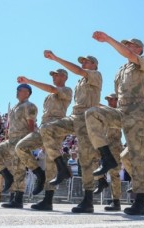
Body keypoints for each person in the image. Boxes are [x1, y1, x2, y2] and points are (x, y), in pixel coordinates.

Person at [86, 32, 144, 215]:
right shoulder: (121, 70)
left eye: (131, 45)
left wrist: (108, 40)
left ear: (139, 49)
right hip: (121, 111)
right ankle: (107, 157)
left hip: (137, 111)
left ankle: (140, 201)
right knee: (92, 114)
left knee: (136, 156)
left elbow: (130, 55)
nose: (128, 47)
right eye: (127, 44)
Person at [40, 51, 102, 213]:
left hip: (87, 119)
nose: (84, 64)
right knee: (46, 129)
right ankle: (61, 168)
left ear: (94, 65)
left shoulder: (95, 75)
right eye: (83, 62)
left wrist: (56, 58)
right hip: (75, 117)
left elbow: (78, 71)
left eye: (87, 62)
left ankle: (88, 200)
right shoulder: (80, 82)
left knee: (85, 158)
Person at [15, 68, 72, 211]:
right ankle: (39, 173)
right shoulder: (49, 96)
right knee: (20, 147)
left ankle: (48, 199)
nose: (53, 77)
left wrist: (29, 81)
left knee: (50, 164)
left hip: (56, 127)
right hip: (43, 128)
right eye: (52, 75)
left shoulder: (66, 90)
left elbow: (53, 89)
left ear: (64, 77)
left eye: (57, 75)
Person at [0, 84, 38, 209]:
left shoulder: (29, 106)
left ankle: (17, 199)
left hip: (21, 140)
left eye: (20, 90)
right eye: (17, 89)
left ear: (27, 93)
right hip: (11, 140)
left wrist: (29, 142)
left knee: (19, 170)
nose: (17, 91)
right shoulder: (15, 107)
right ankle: (7, 176)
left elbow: (32, 124)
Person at [94, 93, 124, 211]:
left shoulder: (119, 112)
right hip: (105, 143)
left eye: (112, 100)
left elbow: (106, 109)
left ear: (117, 101)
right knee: (92, 158)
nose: (109, 102)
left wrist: (95, 102)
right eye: (108, 100)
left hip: (115, 145)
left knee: (114, 173)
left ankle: (116, 202)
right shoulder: (106, 113)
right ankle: (101, 180)